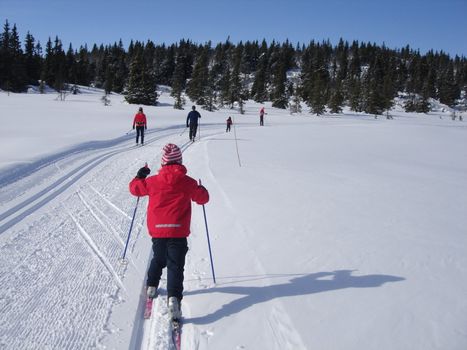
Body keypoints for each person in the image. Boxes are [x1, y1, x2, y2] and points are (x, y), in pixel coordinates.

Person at [129, 143, 209, 321]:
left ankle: (151, 285)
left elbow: (134, 188)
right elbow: (203, 198)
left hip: (158, 232)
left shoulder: (152, 182)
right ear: (180, 162)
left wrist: (139, 176)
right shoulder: (188, 182)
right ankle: (174, 299)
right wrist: (201, 189)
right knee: (175, 265)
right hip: (178, 232)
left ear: (163, 163)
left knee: (158, 258)